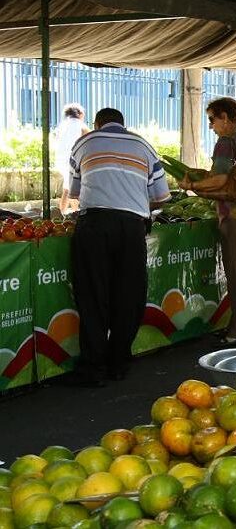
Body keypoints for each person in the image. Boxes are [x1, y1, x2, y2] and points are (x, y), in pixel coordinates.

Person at [65, 108, 170, 386]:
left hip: (94, 225)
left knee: (92, 294)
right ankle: (119, 363)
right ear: (124, 125)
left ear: (98, 124)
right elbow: (161, 196)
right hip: (131, 227)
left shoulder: (84, 143)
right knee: (128, 295)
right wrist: (133, 201)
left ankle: (93, 367)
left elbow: (75, 193)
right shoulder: (144, 146)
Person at [180, 97, 236, 347]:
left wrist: (192, 185)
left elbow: (219, 180)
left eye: (212, 119)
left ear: (225, 118)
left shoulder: (226, 142)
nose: (211, 125)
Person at [54, 103, 89, 214]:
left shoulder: (61, 126)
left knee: (69, 186)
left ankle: (68, 212)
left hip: (60, 160)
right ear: (80, 114)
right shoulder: (81, 126)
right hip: (74, 160)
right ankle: (68, 213)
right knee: (71, 188)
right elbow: (89, 141)